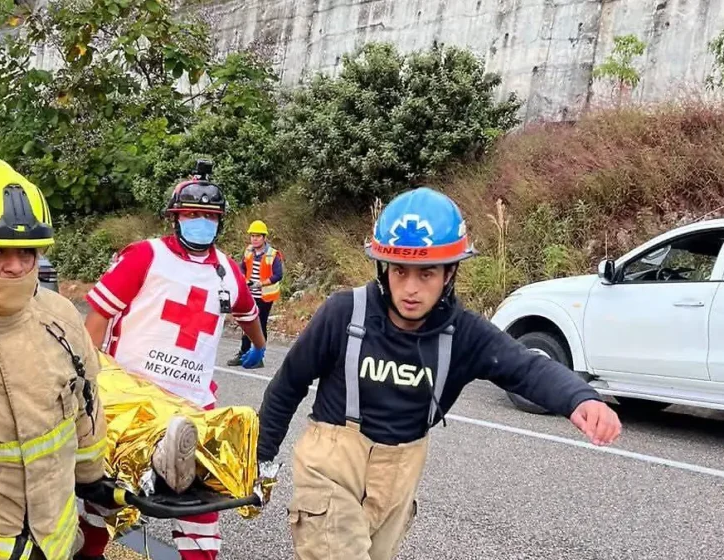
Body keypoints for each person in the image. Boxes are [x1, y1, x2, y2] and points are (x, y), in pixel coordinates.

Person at [254, 187, 622, 560]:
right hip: (330, 469)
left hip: (398, 478)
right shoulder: (344, 314)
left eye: (427, 273)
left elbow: (525, 367)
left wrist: (580, 398)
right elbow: (288, 384)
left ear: (450, 273)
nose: (411, 289)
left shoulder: (463, 333)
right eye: (400, 271)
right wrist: (260, 458)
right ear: (384, 268)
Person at [0, 155, 124, 560]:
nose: (15, 267)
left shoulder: (60, 319)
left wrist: (93, 480)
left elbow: (86, 408)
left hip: (54, 546)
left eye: (27, 252)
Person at [79, 166, 267, 560]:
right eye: (192, 215)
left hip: (192, 403)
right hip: (132, 401)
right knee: (105, 501)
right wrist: (87, 383)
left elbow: (249, 314)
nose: (201, 223)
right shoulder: (145, 257)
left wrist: (259, 346)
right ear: (175, 217)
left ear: (220, 221)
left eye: (210, 217)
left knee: (202, 512)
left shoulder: (227, 271)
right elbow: (95, 323)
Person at [227, 220, 284, 368]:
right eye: (252, 236)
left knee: (260, 324)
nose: (255, 239)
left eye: (258, 236)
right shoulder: (248, 251)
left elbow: (278, 275)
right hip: (249, 293)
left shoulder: (273, 254)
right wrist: (243, 279)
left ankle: (259, 357)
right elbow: (242, 267)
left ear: (264, 237)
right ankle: (243, 353)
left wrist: (261, 283)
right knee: (247, 323)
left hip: (264, 296)